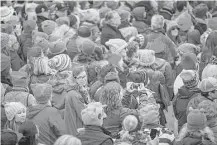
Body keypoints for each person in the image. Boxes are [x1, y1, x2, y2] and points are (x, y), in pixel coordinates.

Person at [64, 66, 89, 136]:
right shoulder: (74, 94)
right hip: (77, 130)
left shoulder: (80, 90)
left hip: (75, 129)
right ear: (74, 79)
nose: (83, 79)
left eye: (84, 76)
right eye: (80, 77)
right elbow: (83, 114)